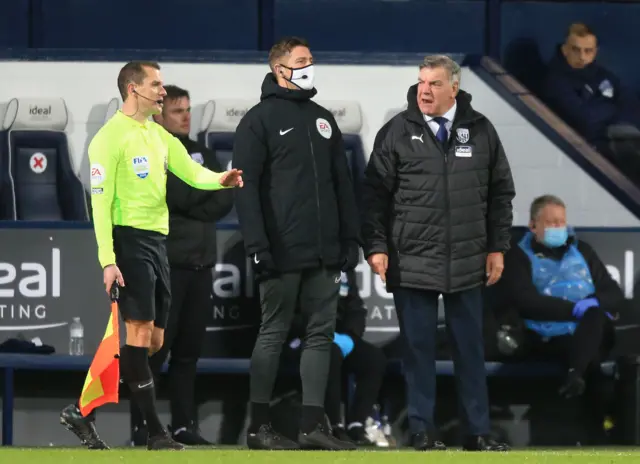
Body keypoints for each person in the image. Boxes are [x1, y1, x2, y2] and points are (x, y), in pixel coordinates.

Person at [59, 61, 243, 451]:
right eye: (156, 85)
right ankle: (157, 434)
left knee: (153, 342)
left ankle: (81, 410)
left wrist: (220, 180)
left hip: (159, 244)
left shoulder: (158, 136)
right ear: (133, 89)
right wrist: (108, 260)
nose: (163, 91)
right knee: (140, 335)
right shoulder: (109, 138)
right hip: (129, 243)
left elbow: (192, 174)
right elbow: (100, 202)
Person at [361, 55, 515, 452]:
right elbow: (373, 197)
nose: (424, 90)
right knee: (418, 353)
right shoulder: (397, 131)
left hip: (467, 259)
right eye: (421, 82)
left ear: (454, 88)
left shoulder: (481, 130)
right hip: (412, 259)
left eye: (433, 84)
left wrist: (497, 246)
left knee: (470, 351)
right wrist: (376, 246)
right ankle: (422, 430)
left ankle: (477, 432)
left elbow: (501, 193)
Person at [233, 36, 360, 450]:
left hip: (325, 250)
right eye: (302, 61)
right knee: (272, 333)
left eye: (312, 59)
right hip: (281, 250)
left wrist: (350, 237)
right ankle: (259, 427)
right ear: (279, 69)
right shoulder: (258, 120)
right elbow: (245, 189)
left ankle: (311, 426)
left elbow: (343, 184)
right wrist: (257, 246)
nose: (310, 66)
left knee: (321, 334)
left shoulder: (324, 118)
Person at [127, 85, 234, 446]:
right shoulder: (155, 149)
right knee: (156, 350)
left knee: (189, 354)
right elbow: (178, 195)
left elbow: (224, 197)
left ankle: (185, 425)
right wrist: (204, 195)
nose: (186, 116)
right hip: (169, 267)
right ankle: (144, 427)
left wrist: (202, 197)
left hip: (202, 266)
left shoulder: (202, 152)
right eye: (177, 111)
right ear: (159, 114)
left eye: (188, 110)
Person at [501, 194, 622, 440]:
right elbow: (525, 301)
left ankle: (575, 375)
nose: (558, 228)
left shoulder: (583, 251)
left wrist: (592, 305)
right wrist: (574, 309)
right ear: (533, 225)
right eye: (551, 222)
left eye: (561, 222)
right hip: (548, 335)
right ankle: (596, 429)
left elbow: (613, 293)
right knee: (593, 356)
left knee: (596, 316)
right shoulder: (518, 255)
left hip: (590, 329)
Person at [283, 270, 387, 446]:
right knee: (329, 352)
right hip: (302, 337)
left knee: (374, 359)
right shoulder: (298, 265)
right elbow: (286, 312)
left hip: (339, 336)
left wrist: (350, 334)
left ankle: (357, 424)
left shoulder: (343, 268)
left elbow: (355, 307)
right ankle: (333, 426)